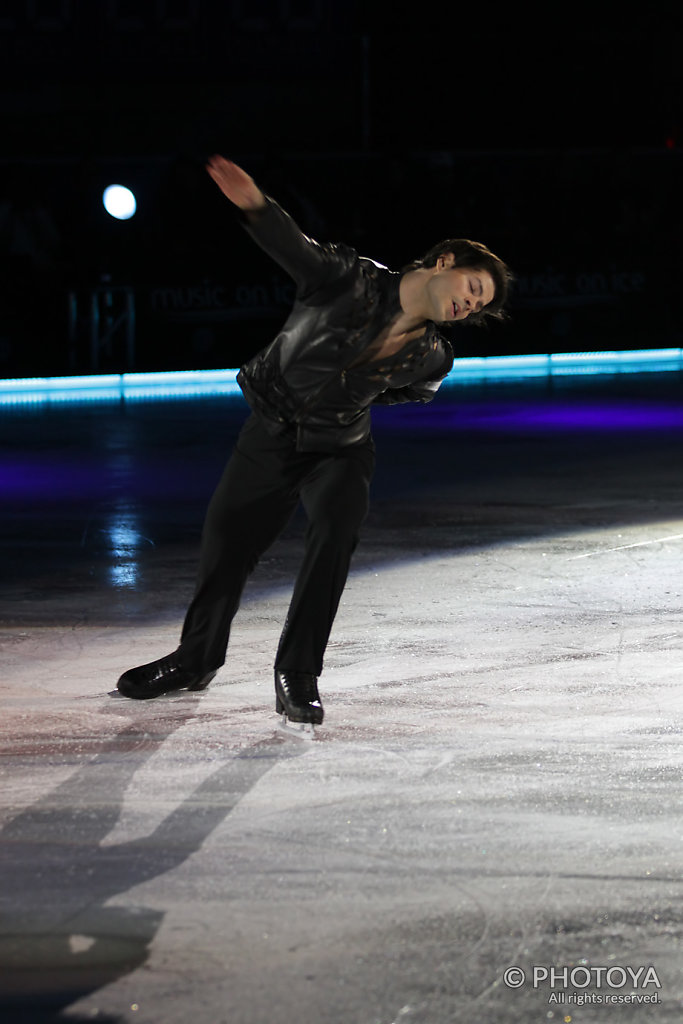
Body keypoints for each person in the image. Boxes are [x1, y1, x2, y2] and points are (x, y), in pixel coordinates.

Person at [117, 155, 513, 729]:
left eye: (476, 307)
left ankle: (298, 674)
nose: (467, 305)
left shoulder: (434, 355)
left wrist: (345, 402)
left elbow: (410, 392)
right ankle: (195, 659)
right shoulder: (347, 279)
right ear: (444, 261)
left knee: (336, 531)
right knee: (227, 543)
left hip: (342, 447)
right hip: (272, 432)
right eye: (472, 288)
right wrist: (254, 203)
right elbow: (293, 245)